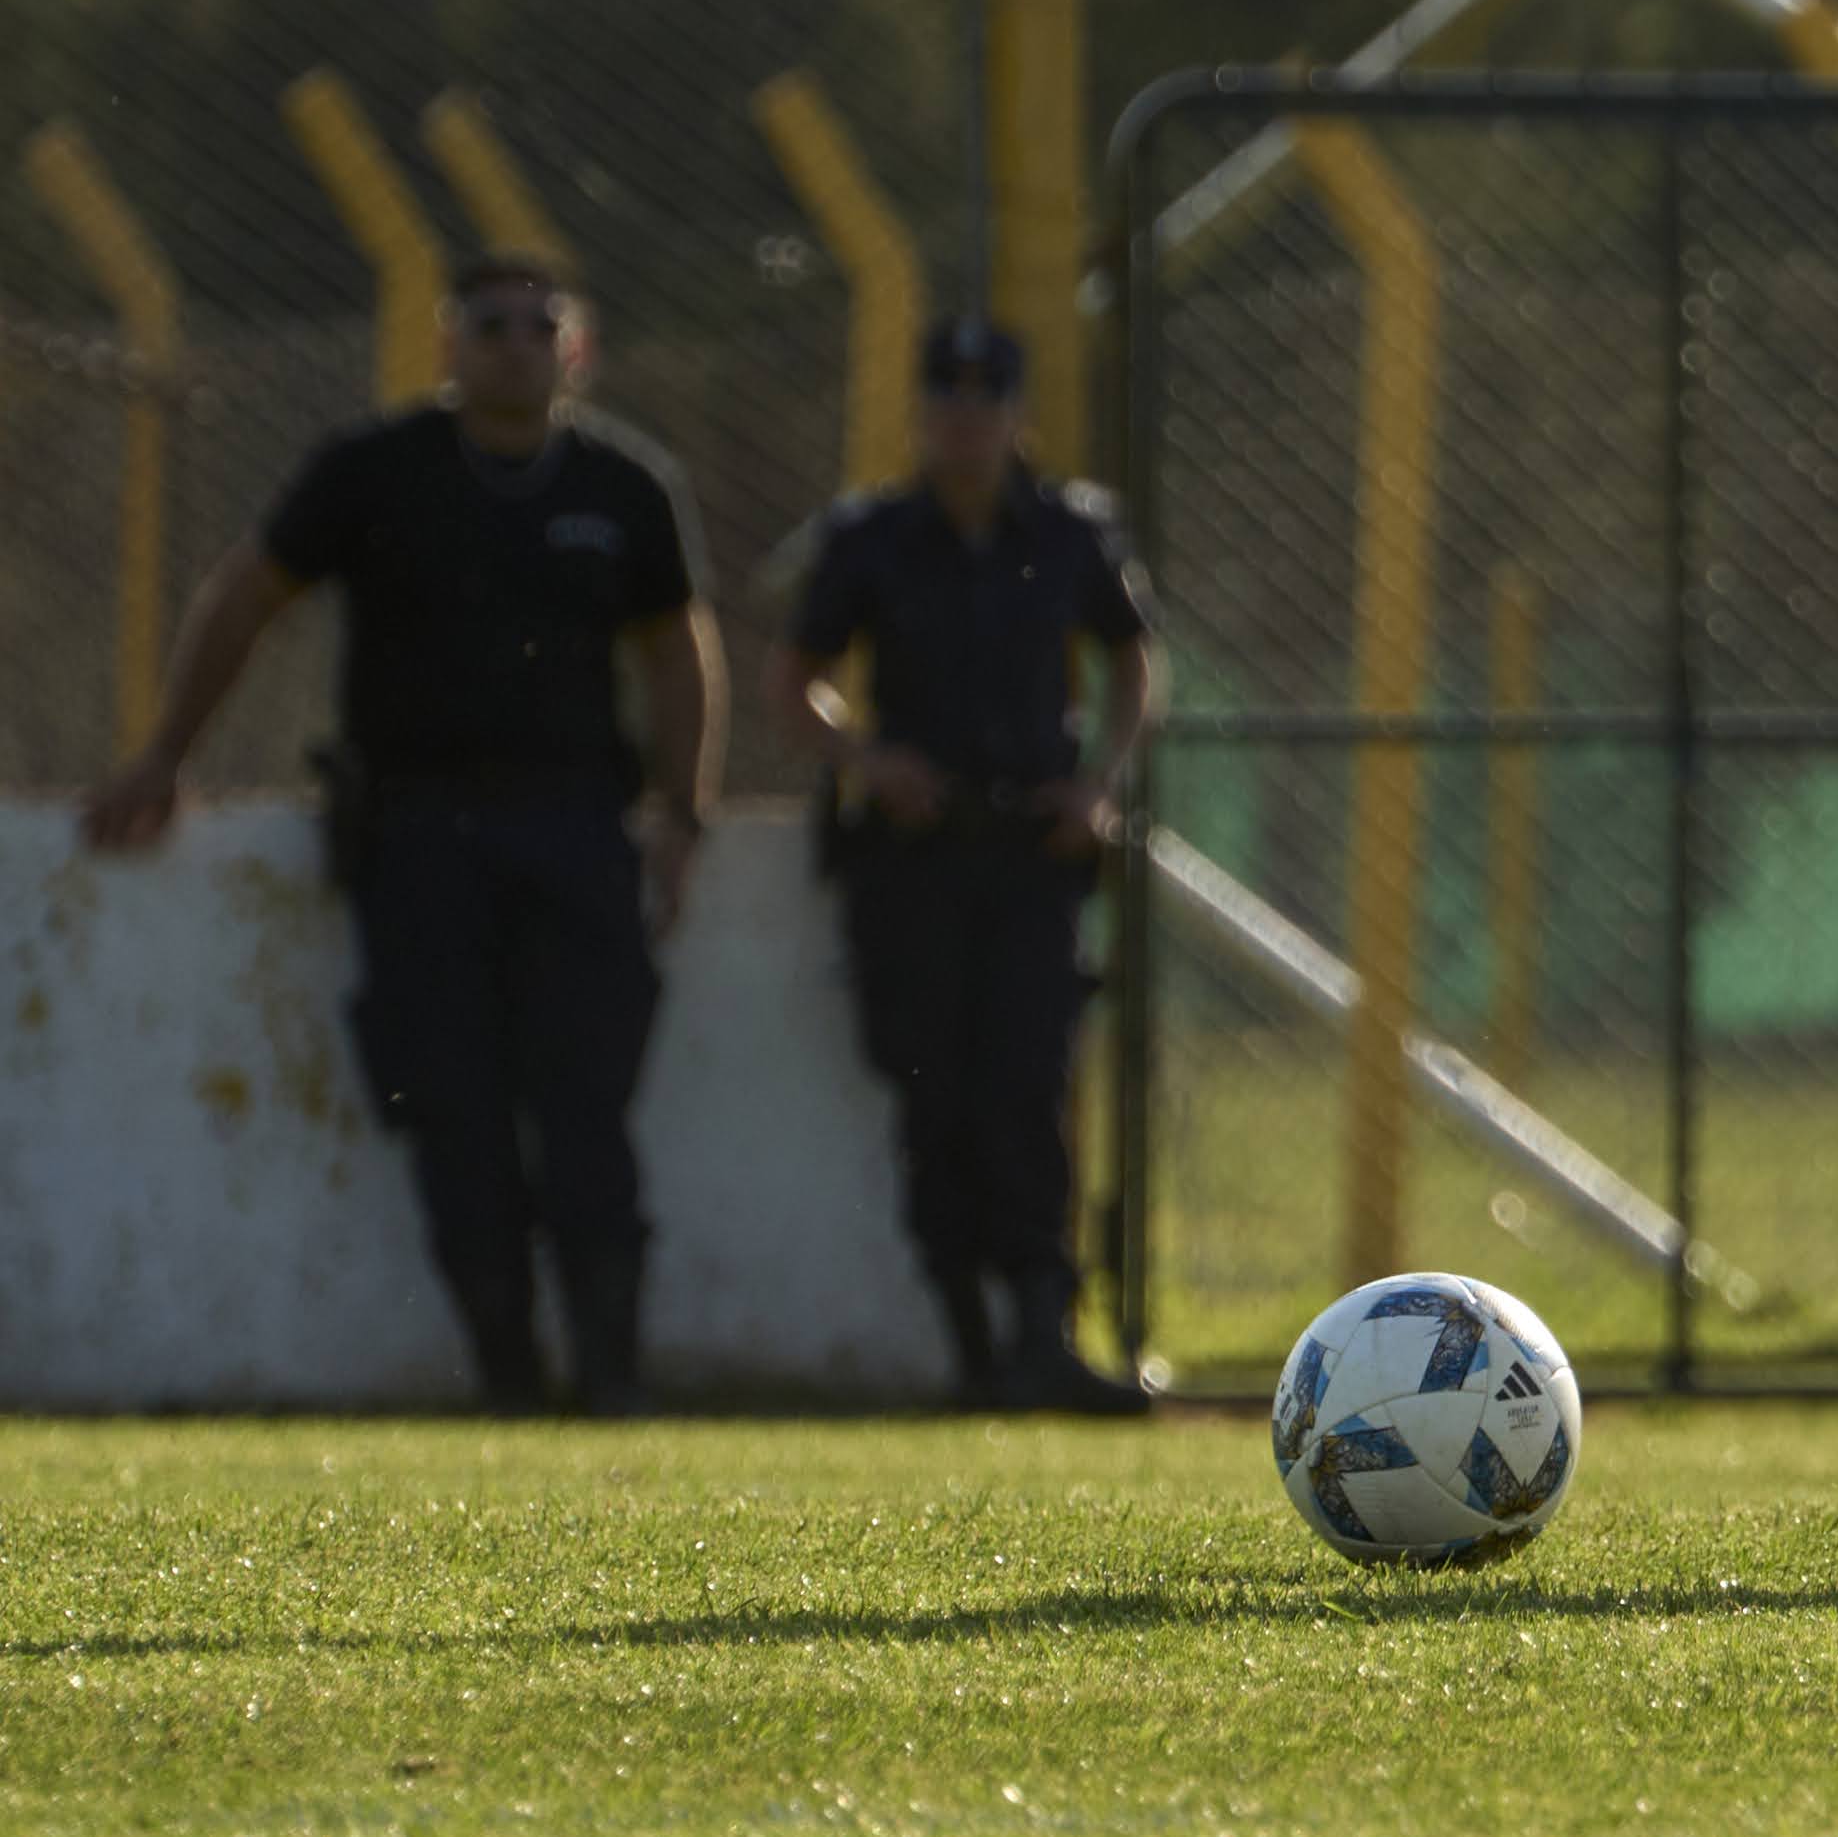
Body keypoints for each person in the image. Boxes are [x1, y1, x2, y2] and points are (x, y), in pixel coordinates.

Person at [77, 251, 721, 1414]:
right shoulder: (373, 473)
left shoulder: (626, 487)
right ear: (446, 343)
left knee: (585, 1107)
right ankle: (509, 1381)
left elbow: (679, 653)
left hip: (574, 828)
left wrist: (682, 812)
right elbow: (245, 594)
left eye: (540, 324)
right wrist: (167, 751)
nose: (515, 342)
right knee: (450, 1109)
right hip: (420, 834)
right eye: (490, 323)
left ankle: (612, 1380)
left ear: (574, 351)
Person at [765, 316, 1159, 1414]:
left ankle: (1045, 1330)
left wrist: (1102, 781)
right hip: (915, 857)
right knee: (930, 1089)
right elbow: (794, 676)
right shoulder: (871, 537)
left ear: (1017, 413)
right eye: (946, 398)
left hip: (1030, 849)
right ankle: (969, 1346)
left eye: (987, 398)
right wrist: (866, 758)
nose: (966, 419)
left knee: (1029, 1086)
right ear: (920, 413)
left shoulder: (1073, 531)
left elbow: (1132, 660)